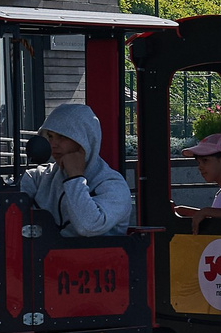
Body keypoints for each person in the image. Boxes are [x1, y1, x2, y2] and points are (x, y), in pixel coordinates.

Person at [20, 101, 135, 237]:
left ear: (84, 140)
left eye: (62, 136)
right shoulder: (38, 178)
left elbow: (88, 227)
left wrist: (75, 177)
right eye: (50, 136)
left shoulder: (113, 185)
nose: (53, 144)